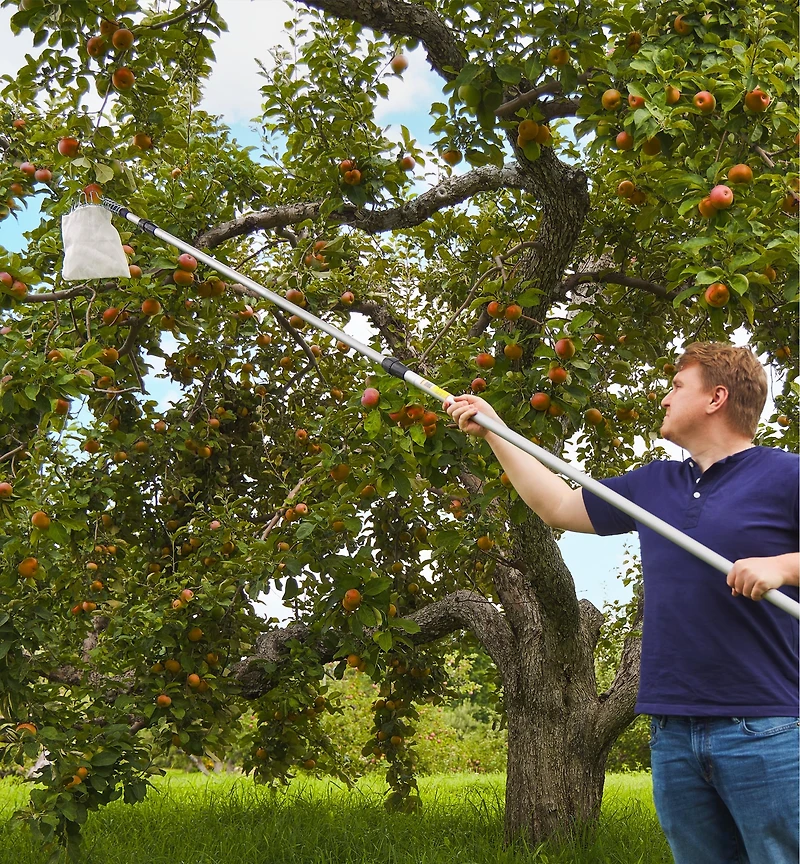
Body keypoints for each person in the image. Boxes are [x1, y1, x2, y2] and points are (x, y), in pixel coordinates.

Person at [444, 341, 799, 864]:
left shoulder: (787, 475)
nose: (664, 398)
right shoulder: (655, 483)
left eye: (677, 386)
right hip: (672, 728)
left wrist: (783, 566)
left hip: (766, 727)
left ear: (716, 398)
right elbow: (558, 506)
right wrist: (495, 430)